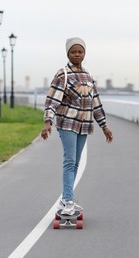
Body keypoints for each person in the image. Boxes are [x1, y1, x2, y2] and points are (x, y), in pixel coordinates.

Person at [41, 37, 113, 215]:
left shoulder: (88, 76)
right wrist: (48, 122)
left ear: (84, 53)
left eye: (80, 51)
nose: (77, 54)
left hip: (84, 124)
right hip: (67, 123)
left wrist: (104, 126)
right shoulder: (62, 74)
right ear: (67, 53)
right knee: (70, 161)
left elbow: (95, 102)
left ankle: (67, 198)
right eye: (73, 52)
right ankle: (67, 200)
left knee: (76, 163)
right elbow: (52, 101)